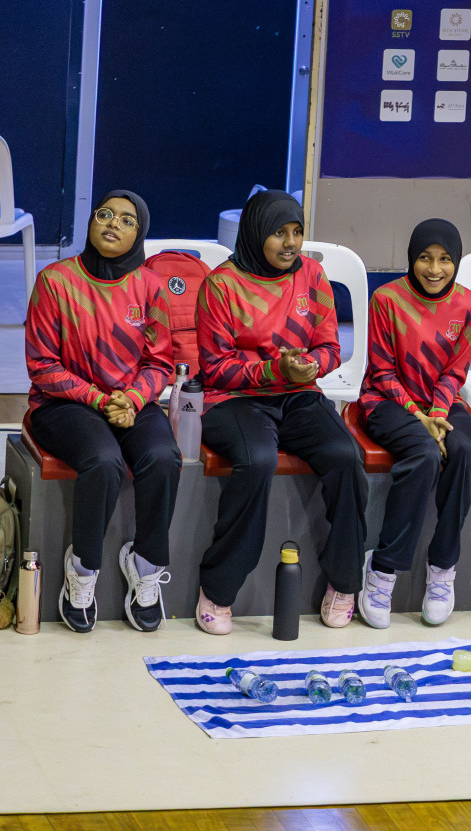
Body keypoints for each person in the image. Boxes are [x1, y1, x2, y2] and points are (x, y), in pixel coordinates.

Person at [193, 190, 367, 633]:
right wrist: (275, 368)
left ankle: (344, 582)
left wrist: (311, 366)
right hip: (234, 399)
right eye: (278, 233)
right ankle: (219, 587)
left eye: (297, 232)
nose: (290, 243)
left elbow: (330, 347)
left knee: (346, 457)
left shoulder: (312, 275)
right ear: (255, 234)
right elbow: (215, 368)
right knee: (258, 461)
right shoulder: (221, 285)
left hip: (297, 393)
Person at [25, 190, 179, 632]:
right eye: (105, 214)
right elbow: (42, 365)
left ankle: (146, 566)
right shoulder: (56, 281)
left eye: (127, 220)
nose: (113, 224)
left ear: (140, 234)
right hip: (63, 403)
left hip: (131, 399)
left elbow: (160, 362)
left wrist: (131, 399)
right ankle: (83, 570)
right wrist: (99, 399)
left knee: (163, 458)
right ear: (91, 223)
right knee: (105, 461)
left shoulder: (150, 287)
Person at [357, 219, 471, 628]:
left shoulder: (469, 305)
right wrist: (419, 417)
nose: (434, 269)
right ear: (412, 258)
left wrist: (440, 415)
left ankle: (443, 568)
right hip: (387, 400)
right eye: (425, 258)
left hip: (439, 402)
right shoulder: (387, 299)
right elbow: (381, 371)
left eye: (445, 259)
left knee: (464, 450)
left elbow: (454, 372)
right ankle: (382, 570)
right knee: (425, 452)